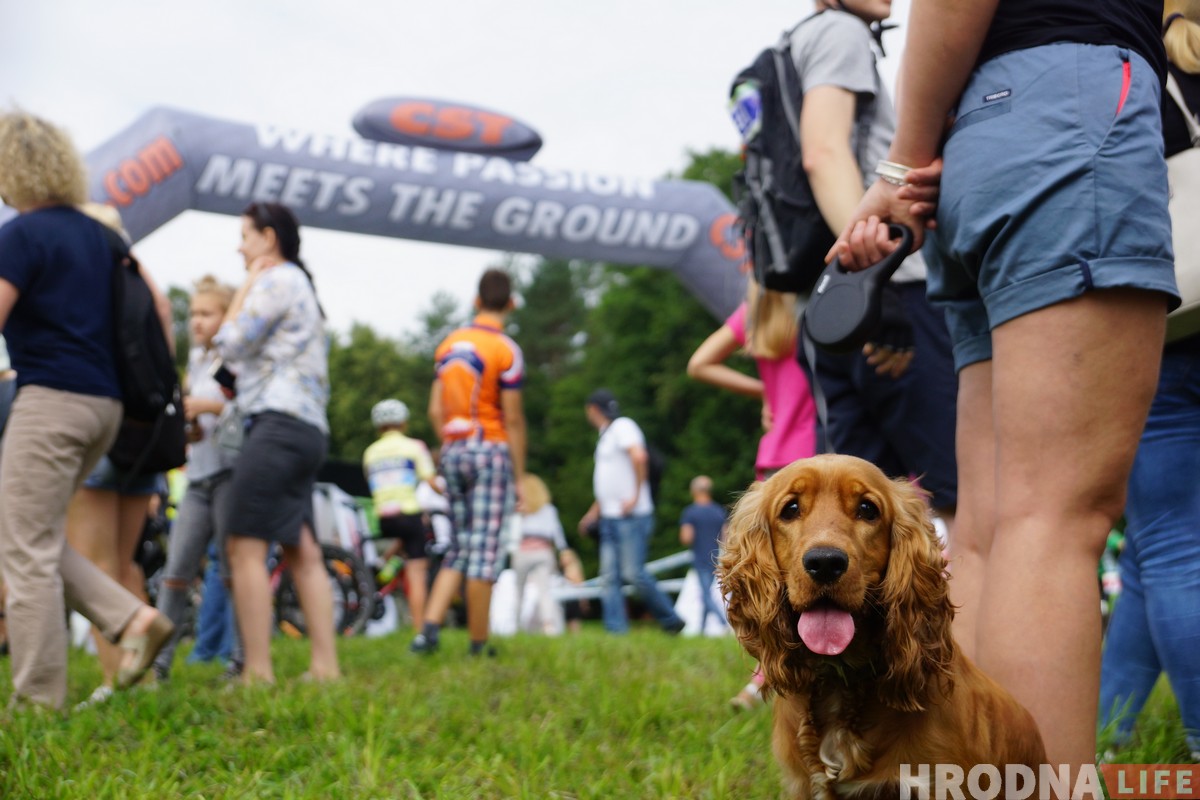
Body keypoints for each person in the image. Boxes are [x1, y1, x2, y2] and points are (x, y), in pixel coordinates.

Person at [830, 0, 1177, 774]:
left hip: (985, 135)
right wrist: (901, 160)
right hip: (1071, 111)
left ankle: (954, 785)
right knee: (1051, 519)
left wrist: (919, 152)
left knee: (990, 527)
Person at [0, 110, 173, 711]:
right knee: (33, 537)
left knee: (23, 550)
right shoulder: (102, 237)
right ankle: (132, 618)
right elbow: (154, 312)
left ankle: (37, 703)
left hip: (49, 401)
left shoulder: (22, 235)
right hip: (106, 408)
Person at [788, 0, 959, 540]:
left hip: (826, 306)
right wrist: (872, 283)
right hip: (885, 295)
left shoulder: (791, 46)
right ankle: (971, 627)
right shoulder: (840, 32)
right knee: (961, 496)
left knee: (850, 511)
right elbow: (823, 151)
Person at [1098, 1, 1200, 760]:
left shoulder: (1133, 63)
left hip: (1164, 321)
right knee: (1147, 558)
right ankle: (1111, 732)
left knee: (1167, 543)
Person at [214, 201, 339, 685]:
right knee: (301, 547)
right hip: (307, 428)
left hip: (277, 423)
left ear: (268, 238)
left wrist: (244, 285)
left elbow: (228, 343)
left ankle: (258, 672)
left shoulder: (274, 280)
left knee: (244, 543)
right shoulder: (303, 285)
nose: (239, 247)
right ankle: (325, 667)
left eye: (245, 236)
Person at [65, 202, 176, 707]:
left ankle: (115, 681)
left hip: (99, 426)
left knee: (94, 563)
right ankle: (147, 678)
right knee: (127, 563)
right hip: (144, 435)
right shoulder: (143, 281)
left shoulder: (90, 278)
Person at [411, 268, 526, 657]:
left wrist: (447, 444)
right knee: (485, 549)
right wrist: (521, 475)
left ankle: (427, 631)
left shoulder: (448, 345)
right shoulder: (506, 349)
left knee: (459, 546)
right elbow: (511, 419)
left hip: (454, 450)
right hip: (489, 450)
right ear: (510, 304)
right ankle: (478, 644)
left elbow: (433, 409)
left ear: (477, 301)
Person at [151, 275, 241, 681]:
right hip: (198, 478)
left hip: (230, 476)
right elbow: (201, 431)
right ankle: (158, 665)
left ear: (227, 316)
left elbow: (246, 415)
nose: (198, 322)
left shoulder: (234, 361)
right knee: (175, 571)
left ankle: (240, 661)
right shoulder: (197, 361)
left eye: (207, 313)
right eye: (194, 314)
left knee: (233, 573)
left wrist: (206, 404)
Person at [577, 389, 685, 635]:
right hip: (610, 517)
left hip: (631, 515)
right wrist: (594, 512)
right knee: (609, 577)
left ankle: (671, 620)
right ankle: (616, 630)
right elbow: (608, 483)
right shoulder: (606, 435)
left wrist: (635, 495)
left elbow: (639, 457)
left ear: (592, 410)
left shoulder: (623, 426)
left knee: (633, 573)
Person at [687, 281, 816, 480]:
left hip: (773, 459)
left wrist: (765, 391)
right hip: (820, 453)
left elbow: (698, 364)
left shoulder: (756, 312)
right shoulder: (817, 302)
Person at [363, 398, 438, 632]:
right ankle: (419, 630)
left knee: (400, 545)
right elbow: (431, 480)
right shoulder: (413, 446)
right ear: (403, 423)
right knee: (417, 573)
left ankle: (384, 565)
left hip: (383, 518)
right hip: (409, 514)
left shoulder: (370, 452)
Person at [511, 474, 574, 635]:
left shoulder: (519, 512)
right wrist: (563, 550)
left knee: (519, 590)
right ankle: (548, 625)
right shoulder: (548, 510)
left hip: (523, 552)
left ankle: (517, 625)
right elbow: (557, 533)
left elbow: (512, 535)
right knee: (544, 590)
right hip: (543, 552)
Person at [678, 475, 728, 634]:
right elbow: (726, 537)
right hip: (716, 558)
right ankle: (701, 628)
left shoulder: (690, 512)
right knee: (706, 592)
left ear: (694, 491)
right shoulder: (718, 511)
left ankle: (723, 622)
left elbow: (686, 538)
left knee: (706, 594)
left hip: (700, 558)